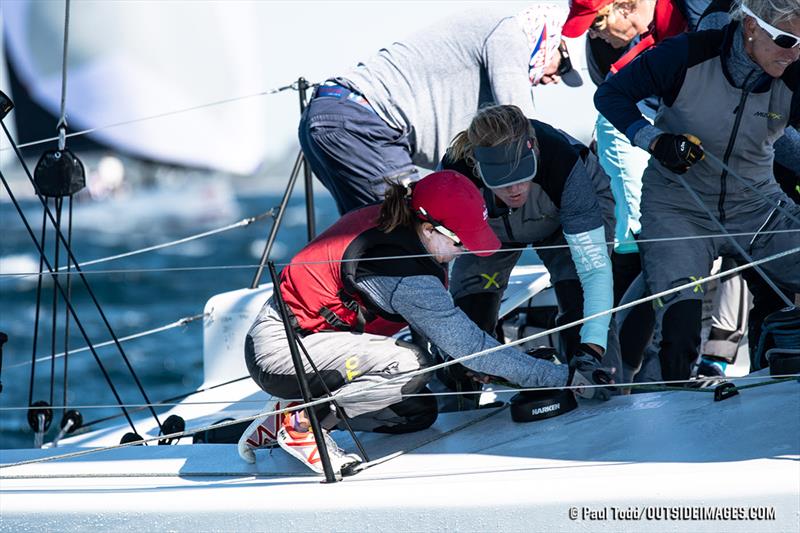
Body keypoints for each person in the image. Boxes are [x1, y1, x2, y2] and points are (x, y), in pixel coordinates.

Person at [242, 170, 615, 474]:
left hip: (318, 346)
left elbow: (450, 340)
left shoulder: (407, 230)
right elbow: (469, 349)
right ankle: (303, 423)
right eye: (460, 242)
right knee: (408, 366)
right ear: (430, 227)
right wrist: (562, 378)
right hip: (280, 352)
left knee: (416, 413)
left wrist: (498, 368)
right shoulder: (403, 271)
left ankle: (281, 419)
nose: (465, 251)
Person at [595, 0, 800, 381]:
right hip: (678, 208)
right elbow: (609, 96)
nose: (796, 53)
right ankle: (671, 412)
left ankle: (771, 387)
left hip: (756, 205)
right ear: (751, 28)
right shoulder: (686, 53)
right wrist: (655, 141)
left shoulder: (793, 71)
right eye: (787, 40)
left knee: (779, 296)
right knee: (680, 329)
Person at [298, 3, 569, 215]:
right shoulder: (508, 33)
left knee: (367, 234)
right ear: (552, 40)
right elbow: (520, 124)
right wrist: (570, 165)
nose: (556, 78)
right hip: (361, 124)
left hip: (331, 113)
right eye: (563, 66)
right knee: (415, 231)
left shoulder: (489, 37)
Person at [440, 104, 619, 391]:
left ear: (533, 148)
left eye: (522, 174)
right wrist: (443, 340)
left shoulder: (562, 162)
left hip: (562, 218)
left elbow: (595, 271)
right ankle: (465, 399)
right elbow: (431, 265)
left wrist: (592, 348)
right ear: (476, 165)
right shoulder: (455, 177)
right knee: (464, 329)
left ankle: (605, 388)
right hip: (490, 229)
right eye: (502, 180)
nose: (515, 188)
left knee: (581, 311)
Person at [563, 0, 711, 303]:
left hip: (701, 131)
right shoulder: (635, 39)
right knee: (640, 234)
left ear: (625, 7)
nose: (593, 37)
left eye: (597, 25)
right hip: (642, 130)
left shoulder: (695, 12)